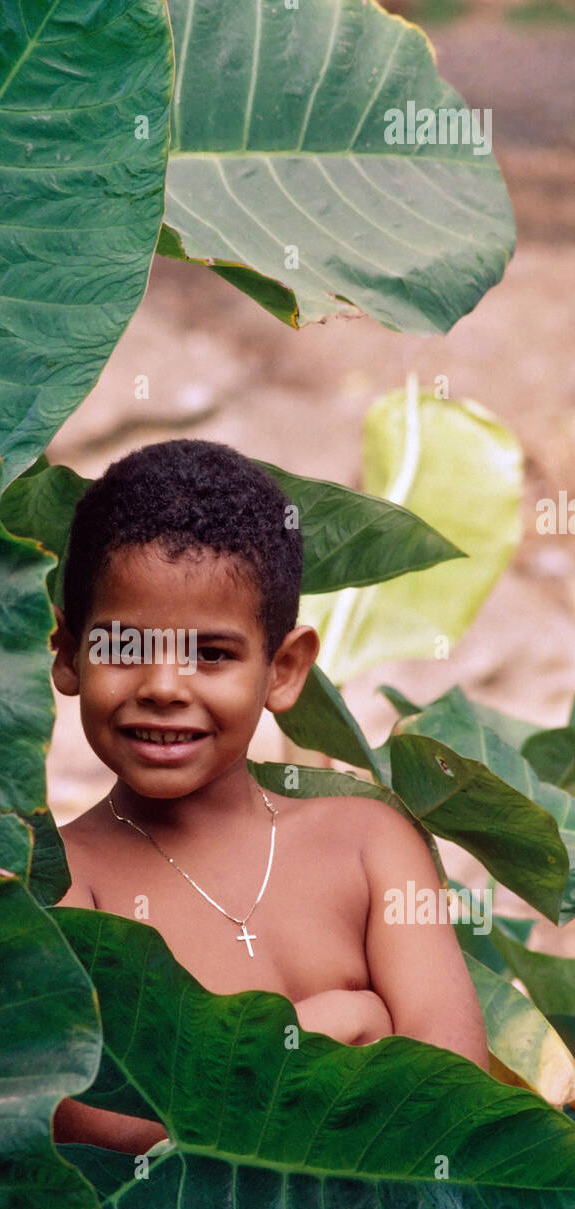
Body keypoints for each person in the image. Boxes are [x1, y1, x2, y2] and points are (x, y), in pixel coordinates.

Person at [50, 439, 489, 1153]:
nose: (163, 687)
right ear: (70, 657)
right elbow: (90, 1123)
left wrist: (208, 1093)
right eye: (124, 647)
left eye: (212, 654)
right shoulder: (63, 880)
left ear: (283, 669)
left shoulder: (367, 846)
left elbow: (451, 1085)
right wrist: (333, 1026)